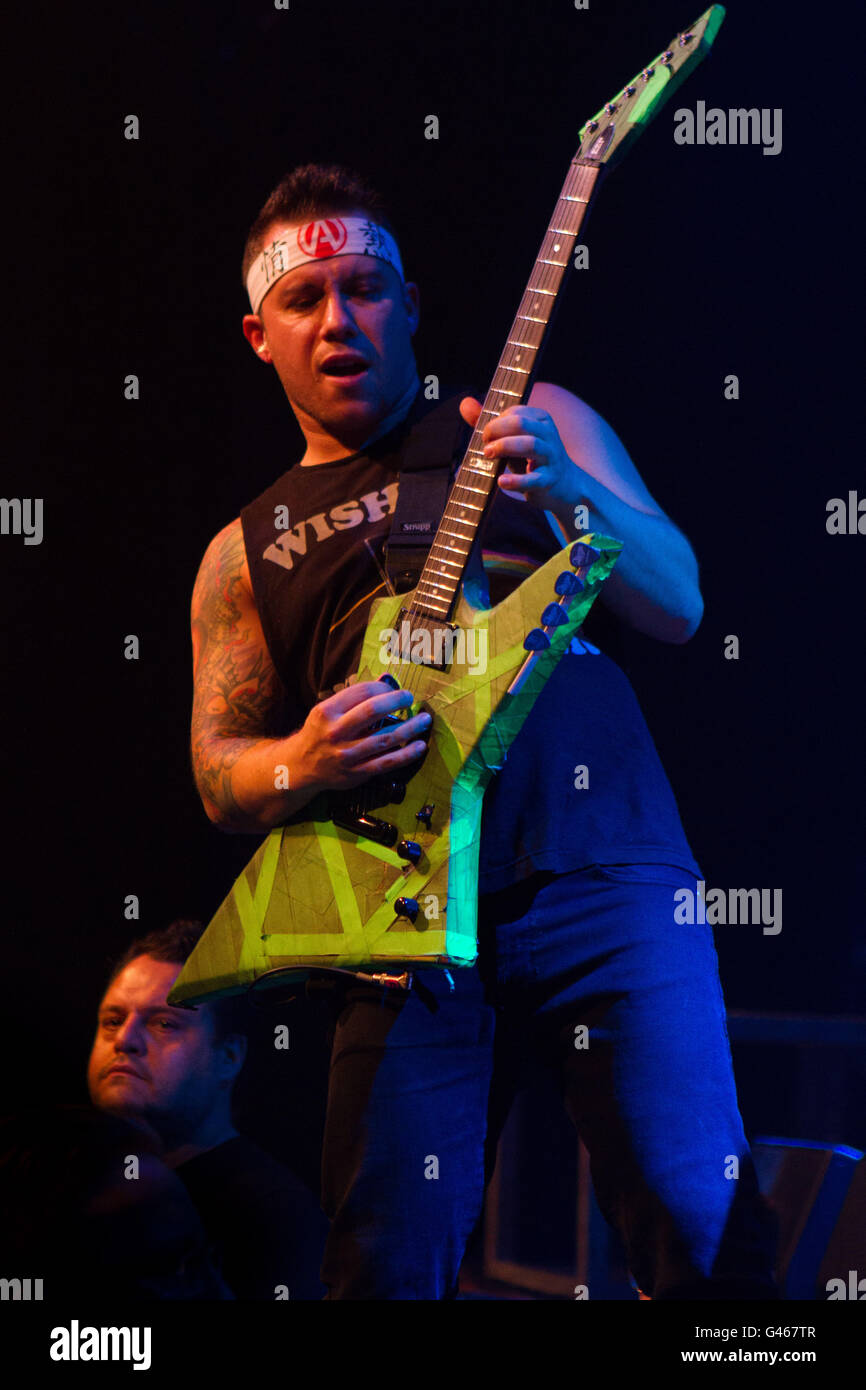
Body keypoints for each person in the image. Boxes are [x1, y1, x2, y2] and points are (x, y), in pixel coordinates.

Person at [189, 163, 779, 1299]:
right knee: (382, 1259)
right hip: (398, 918)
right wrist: (298, 760)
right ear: (259, 335)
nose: (338, 318)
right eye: (304, 301)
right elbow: (218, 775)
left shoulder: (534, 419)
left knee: (699, 1230)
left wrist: (562, 488)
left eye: (364, 287)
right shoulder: (239, 551)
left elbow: (677, 598)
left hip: (601, 868)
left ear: (408, 302)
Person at [88, 919, 328, 1299]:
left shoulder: (275, 1217)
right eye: (112, 1020)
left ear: (228, 1056)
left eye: (165, 1023)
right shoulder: (72, 1184)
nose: (124, 1039)